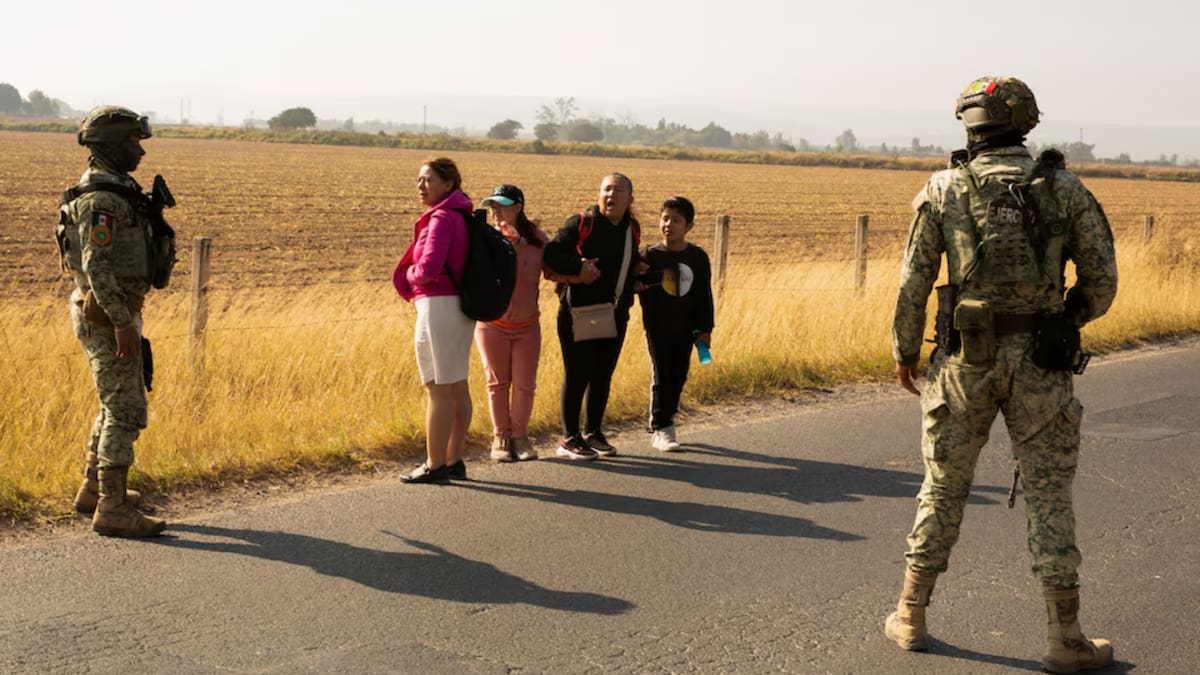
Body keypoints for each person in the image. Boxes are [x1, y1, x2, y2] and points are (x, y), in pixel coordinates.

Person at [884, 77, 1118, 673]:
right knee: (1050, 496)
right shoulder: (1063, 187)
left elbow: (913, 284)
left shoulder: (942, 189)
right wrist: (1065, 320)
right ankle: (1066, 638)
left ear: (971, 125)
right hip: (1042, 364)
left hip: (964, 363)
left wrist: (905, 351)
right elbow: (1102, 281)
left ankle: (910, 614)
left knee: (942, 487)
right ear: (1024, 122)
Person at [59, 105, 177, 537]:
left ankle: (94, 490)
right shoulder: (103, 200)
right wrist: (123, 322)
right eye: (132, 141)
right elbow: (97, 268)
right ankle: (112, 508)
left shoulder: (115, 190)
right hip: (109, 316)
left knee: (113, 404)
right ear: (110, 145)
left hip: (113, 312)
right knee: (127, 410)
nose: (139, 151)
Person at [543, 173, 646, 460]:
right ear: (599, 194)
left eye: (618, 190)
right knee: (577, 374)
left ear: (630, 198)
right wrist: (579, 268)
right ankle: (569, 438)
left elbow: (625, 262)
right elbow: (551, 254)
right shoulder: (581, 223)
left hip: (615, 313)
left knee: (602, 375)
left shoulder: (631, 228)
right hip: (578, 313)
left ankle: (593, 432)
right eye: (606, 190)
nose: (611, 195)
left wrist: (637, 273)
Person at [393, 157, 475, 484]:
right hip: (458, 308)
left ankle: (434, 464)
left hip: (438, 306)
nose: (420, 185)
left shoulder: (441, 218)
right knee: (457, 386)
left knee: (438, 390)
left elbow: (427, 270)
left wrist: (408, 274)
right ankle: (453, 460)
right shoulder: (461, 215)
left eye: (427, 179)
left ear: (448, 184)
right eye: (418, 179)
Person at [474, 184, 549, 463]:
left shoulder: (538, 240)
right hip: (493, 324)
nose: (495, 211)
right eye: (492, 206)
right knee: (497, 383)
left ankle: (520, 436)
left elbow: (554, 271)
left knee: (525, 385)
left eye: (502, 205)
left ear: (518, 207)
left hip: (527, 325)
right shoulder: (486, 238)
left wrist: (580, 272)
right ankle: (501, 437)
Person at [636, 197, 714, 452]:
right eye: (665, 218)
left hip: (687, 327)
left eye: (676, 220)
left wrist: (705, 329)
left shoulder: (698, 257)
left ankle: (668, 416)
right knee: (662, 374)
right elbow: (634, 284)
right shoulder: (649, 256)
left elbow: (704, 295)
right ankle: (661, 427)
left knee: (679, 374)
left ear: (688, 226)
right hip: (657, 326)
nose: (669, 224)